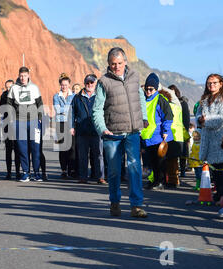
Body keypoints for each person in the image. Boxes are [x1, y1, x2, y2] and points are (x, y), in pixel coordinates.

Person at [92, 47, 148, 218]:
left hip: (132, 133)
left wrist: (144, 118)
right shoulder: (104, 82)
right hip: (113, 134)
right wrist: (102, 129)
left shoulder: (134, 77)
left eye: (119, 63)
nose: (116, 67)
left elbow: (140, 99)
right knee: (115, 171)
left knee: (135, 168)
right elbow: (97, 110)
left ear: (125, 62)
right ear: (109, 64)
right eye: (113, 64)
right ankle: (114, 202)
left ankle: (136, 206)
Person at [196, 74, 223, 204]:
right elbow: (198, 115)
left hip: (221, 138)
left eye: (214, 83)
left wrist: (206, 120)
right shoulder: (205, 99)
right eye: (209, 83)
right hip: (208, 139)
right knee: (214, 170)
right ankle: (219, 194)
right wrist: (199, 120)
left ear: (221, 84)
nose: (211, 85)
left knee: (222, 169)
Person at [7, 67, 44, 182]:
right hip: (19, 122)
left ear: (28, 75)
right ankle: (25, 173)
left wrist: (40, 118)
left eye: (25, 75)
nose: (23, 78)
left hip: (33, 121)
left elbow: (40, 104)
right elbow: (9, 104)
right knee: (22, 149)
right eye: (21, 75)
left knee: (35, 148)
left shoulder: (34, 87)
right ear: (19, 75)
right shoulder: (14, 88)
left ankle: (37, 173)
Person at [70, 74, 105, 184]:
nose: (89, 85)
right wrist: (71, 126)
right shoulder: (77, 97)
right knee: (82, 155)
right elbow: (72, 113)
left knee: (99, 155)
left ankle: (100, 177)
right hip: (82, 131)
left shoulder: (100, 96)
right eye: (87, 83)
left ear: (95, 84)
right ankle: (83, 177)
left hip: (96, 130)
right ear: (84, 84)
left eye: (91, 83)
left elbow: (105, 112)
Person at [141, 73, 174, 190]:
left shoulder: (161, 100)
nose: (148, 91)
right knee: (152, 162)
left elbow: (168, 116)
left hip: (159, 136)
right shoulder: (143, 100)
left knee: (160, 162)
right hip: (147, 136)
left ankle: (161, 182)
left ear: (156, 89)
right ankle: (154, 181)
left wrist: (165, 131)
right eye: (146, 89)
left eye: (151, 89)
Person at [53, 73, 75, 179]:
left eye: (66, 85)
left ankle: (71, 169)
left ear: (69, 85)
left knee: (71, 148)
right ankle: (63, 170)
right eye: (62, 85)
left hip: (71, 124)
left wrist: (65, 110)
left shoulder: (74, 96)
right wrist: (68, 109)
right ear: (60, 85)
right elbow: (57, 110)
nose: (64, 87)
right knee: (62, 148)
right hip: (60, 124)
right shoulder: (56, 96)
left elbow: (74, 110)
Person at [0, 79, 21, 180]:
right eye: (7, 87)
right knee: (8, 150)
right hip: (7, 125)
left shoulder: (18, 94)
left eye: (10, 87)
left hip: (17, 124)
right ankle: (8, 172)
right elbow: (0, 109)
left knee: (17, 149)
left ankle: (17, 172)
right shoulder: (3, 95)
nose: (8, 89)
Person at [168, 84, 190, 177]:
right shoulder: (166, 103)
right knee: (172, 154)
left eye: (173, 92)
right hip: (171, 131)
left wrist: (186, 131)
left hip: (181, 130)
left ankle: (183, 169)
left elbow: (186, 118)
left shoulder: (182, 103)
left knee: (183, 151)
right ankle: (172, 173)